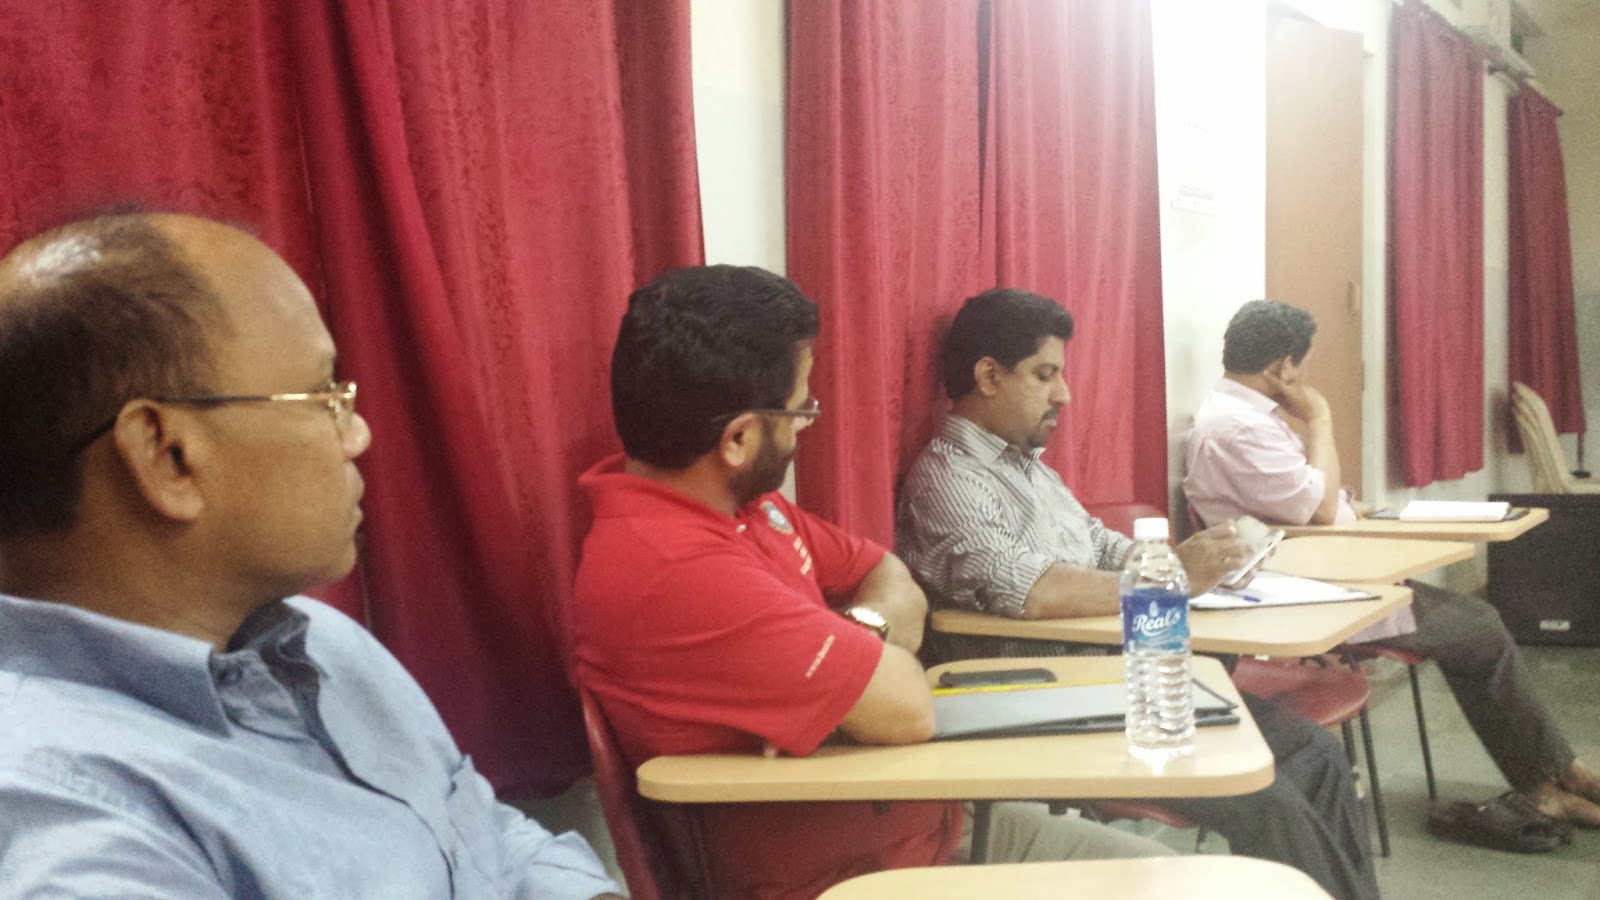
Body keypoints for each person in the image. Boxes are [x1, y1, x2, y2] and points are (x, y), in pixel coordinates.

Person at [0, 212, 622, 899]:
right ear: (168, 456)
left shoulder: (322, 642)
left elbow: (483, 838)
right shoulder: (79, 832)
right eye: (325, 395)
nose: (357, 435)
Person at [572, 266, 1170, 900]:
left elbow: (883, 570)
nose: (805, 426)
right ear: (739, 438)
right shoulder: (678, 572)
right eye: (801, 409)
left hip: (922, 824)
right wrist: (879, 653)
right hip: (853, 878)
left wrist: (859, 634)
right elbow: (907, 704)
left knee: (1174, 877)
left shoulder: (742, 505)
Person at [897, 288, 1381, 900]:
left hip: (1121, 685)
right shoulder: (948, 476)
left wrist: (1198, 561)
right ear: (989, 376)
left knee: (1316, 754)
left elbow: (1104, 547)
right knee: (1269, 798)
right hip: (1046, 703)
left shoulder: (1030, 470)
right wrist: (1172, 575)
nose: (1063, 395)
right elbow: (1027, 588)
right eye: (1045, 375)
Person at [1184, 298, 1600, 833]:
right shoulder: (1236, 427)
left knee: (1475, 626)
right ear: (1285, 366)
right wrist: (1321, 419)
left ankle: (1557, 773)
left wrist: (1345, 504)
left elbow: (1315, 499)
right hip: (1294, 593)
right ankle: (1546, 784)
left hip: (1317, 571)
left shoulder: (1244, 417)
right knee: (1478, 627)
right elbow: (1318, 509)